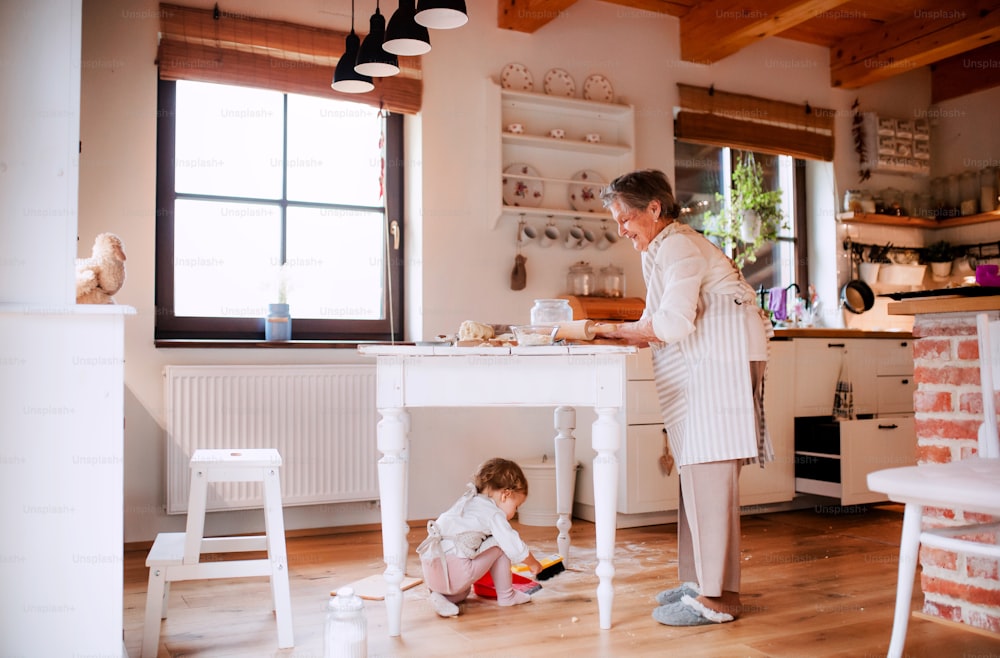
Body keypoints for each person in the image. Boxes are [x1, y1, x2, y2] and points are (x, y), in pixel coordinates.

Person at [598, 169, 773, 626]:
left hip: (724, 360)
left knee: (710, 471)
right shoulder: (662, 245)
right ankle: (701, 584)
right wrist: (621, 334)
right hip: (712, 360)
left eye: (626, 219)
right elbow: (660, 316)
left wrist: (618, 331)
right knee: (697, 472)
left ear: (654, 209)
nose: (622, 230)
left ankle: (719, 597)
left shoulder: (676, 243)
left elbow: (673, 324)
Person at [417, 457, 543, 618]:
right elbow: (514, 545)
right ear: (505, 495)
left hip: (433, 572)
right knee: (501, 544)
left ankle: (440, 595)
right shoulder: (493, 513)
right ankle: (507, 596)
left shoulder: (468, 501)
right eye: (516, 506)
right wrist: (534, 564)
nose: (513, 513)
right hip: (455, 573)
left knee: (465, 591)